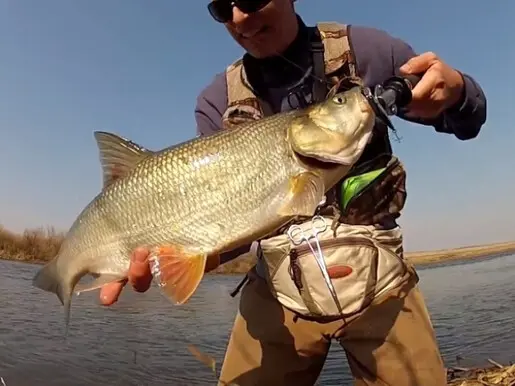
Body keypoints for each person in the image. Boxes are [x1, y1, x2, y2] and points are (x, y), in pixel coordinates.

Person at [99, 1, 487, 385]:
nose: (238, 18)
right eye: (222, 7)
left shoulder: (366, 50)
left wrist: (458, 91)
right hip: (278, 287)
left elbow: (468, 118)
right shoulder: (216, 100)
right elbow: (231, 227)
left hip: (381, 284)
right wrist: (174, 255)